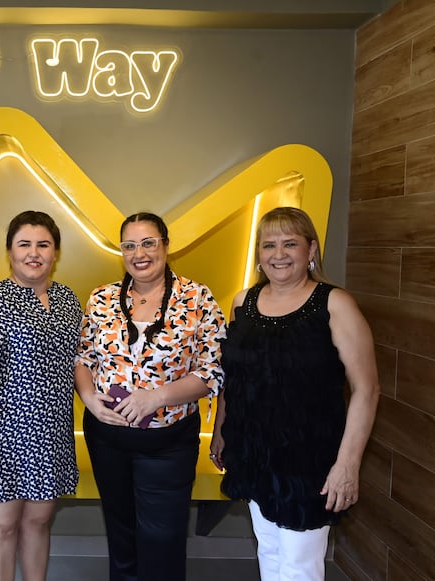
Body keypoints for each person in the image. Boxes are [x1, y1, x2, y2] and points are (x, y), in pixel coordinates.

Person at [210, 206, 380, 581]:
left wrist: (347, 465)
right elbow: (234, 376)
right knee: (269, 550)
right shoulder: (243, 303)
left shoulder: (335, 305)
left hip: (310, 460)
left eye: (290, 243)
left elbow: (367, 390)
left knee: (299, 566)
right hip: (254, 451)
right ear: (259, 254)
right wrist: (223, 430)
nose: (279, 254)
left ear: (311, 250)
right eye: (269, 245)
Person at [75, 212, 226, 581]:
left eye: (148, 243)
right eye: (129, 245)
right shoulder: (102, 297)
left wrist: (156, 397)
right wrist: (90, 399)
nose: (139, 253)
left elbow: (212, 371)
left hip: (168, 441)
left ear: (165, 246)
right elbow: (82, 358)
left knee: (163, 538)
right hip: (107, 437)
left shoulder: (198, 297)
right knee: (121, 532)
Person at [0, 210, 82, 581]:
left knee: (40, 520)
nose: (33, 252)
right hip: (2, 436)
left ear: (55, 252)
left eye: (43, 244)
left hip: (53, 432)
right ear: (9, 251)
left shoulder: (67, 301)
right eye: (24, 244)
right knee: (2, 523)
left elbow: (78, 363)